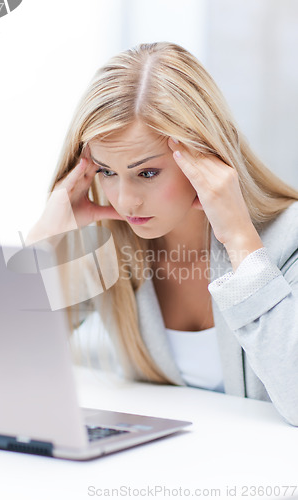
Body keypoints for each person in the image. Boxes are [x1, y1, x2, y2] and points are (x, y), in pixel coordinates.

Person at [26, 42, 298, 426]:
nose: (125, 201)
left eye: (147, 173)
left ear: (205, 154)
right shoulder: (110, 247)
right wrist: (45, 236)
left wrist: (240, 239)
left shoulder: (290, 241)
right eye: (106, 171)